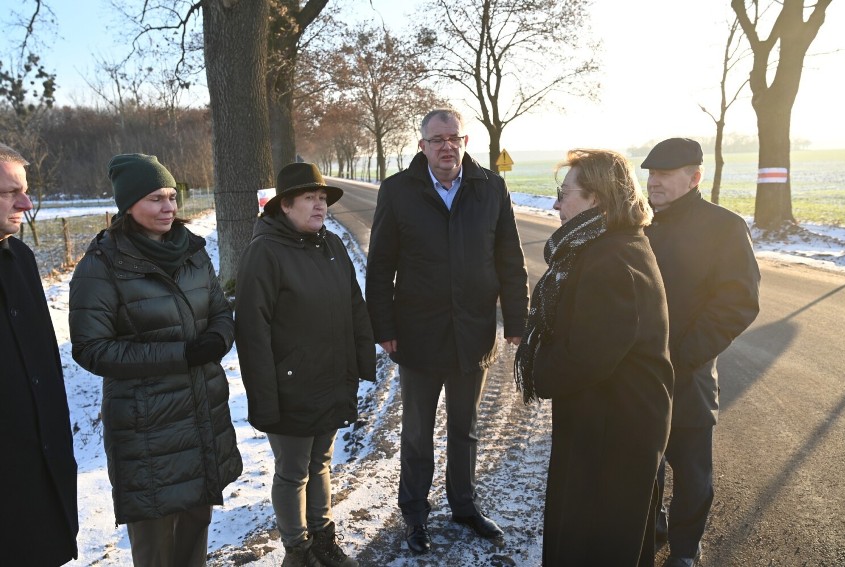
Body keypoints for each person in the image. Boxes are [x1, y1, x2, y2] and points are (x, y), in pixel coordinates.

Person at [366, 108, 529, 554]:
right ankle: (415, 514)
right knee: (417, 431)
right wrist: (384, 325)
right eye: (436, 139)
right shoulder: (398, 191)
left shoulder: (490, 187)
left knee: (466, 427)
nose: (445, 146)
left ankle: (464, 506)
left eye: (452, 137)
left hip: (472, 331)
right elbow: (379, 266)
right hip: (417, 335)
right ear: (422, 146)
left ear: (464, 141)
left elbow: (509, 259)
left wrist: (516, 320)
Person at [68, 153, 243, 567]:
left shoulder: (192, 251)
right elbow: (91, 349)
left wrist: (220, 334)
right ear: (128, 206)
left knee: (196, 527)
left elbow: (219, 307)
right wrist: (181, 354)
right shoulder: (102, 266)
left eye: (172, 196)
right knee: (157, 545)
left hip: (201, 412)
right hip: (148, 428)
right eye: (155, 199)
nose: (169, 207)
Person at [514, 149, 673, 566]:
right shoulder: (608, 247)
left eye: (564, 193)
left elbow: (587, 357)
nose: (555, 203)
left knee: (598, 541)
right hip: (605, 421)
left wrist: (541, 368)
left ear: (597, 199)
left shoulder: (612, 259)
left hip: (614, 434)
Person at [234, 162, 376, 567]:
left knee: (321, 463)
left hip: (330, 379)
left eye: (322, 199)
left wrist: (360, 363)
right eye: (310, 198)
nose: (319, 206)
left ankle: (323, 543)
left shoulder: (331, 246)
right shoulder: (264, 252)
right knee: (294, 470)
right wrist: (264, 397)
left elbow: (354, 306)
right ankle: (297, 551)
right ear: (284, 205)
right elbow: (252, 331)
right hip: (289, 386)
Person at [641, 138, 760, 567]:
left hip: (688, 375)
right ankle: (650, 533)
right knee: (643, 468)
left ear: (694, 178)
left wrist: (685, 355)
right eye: (651, 174)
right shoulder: (640, 225)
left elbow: (739, 303)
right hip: (638, 377)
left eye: (665, 175)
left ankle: (685, 551)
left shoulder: (724, 227)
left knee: (692, 474)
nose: (654, 182)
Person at [0, 143, 79, 566]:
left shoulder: (22, 258)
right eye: (10, 192)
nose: (26, 203)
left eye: (25, 190)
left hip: (39, 478)